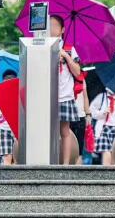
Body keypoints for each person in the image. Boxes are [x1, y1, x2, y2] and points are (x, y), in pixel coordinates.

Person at [49, 15, 81, 165]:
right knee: (49, 130)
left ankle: (66, 164)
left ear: (62, 30)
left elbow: (77, 72)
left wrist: (66, 57)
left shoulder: (69, 49)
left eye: (55, 26)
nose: (51, 29)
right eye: (49, 26)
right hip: (48, 95)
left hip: (65, 95)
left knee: (65, 131)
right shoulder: (44, 47)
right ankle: (50, 160)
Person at [90, 88, 115, 165]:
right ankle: (107, 174)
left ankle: (113, 175)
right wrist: (102, 112)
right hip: (104, 128)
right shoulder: (102, 97)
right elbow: (91, 111)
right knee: (106, 151)